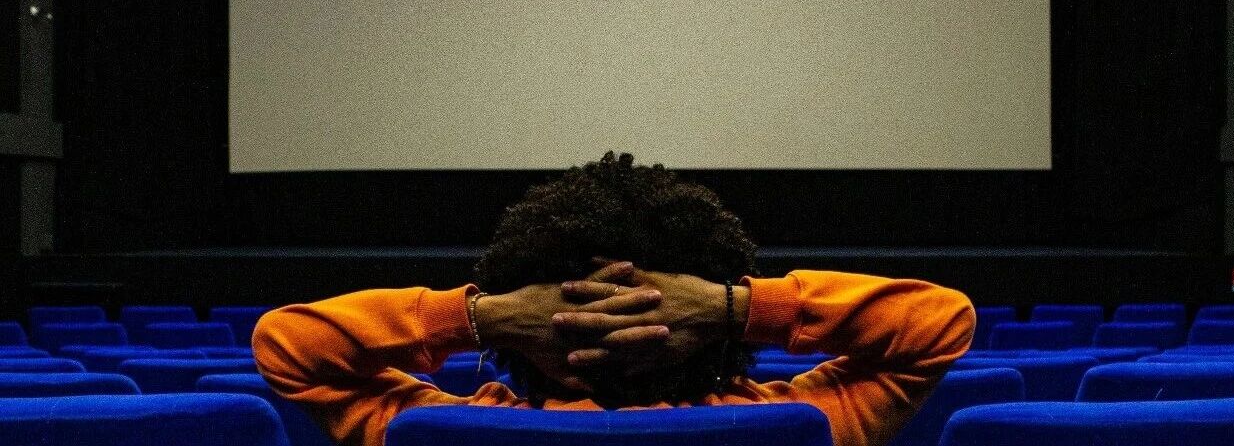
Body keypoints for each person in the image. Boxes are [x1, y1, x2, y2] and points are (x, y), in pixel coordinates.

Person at [253, 152, 975, 446]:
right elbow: (941, 324)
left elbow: (286, 347)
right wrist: (733, 308)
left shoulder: (449, 431)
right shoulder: (787, 424)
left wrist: (483, 316)